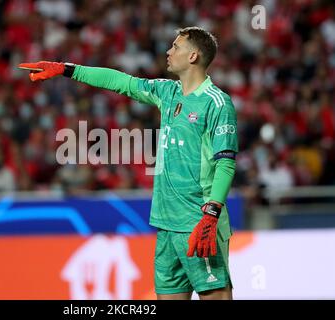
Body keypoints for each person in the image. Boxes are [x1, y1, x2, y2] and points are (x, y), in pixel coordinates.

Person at [19, 26, 238, 300]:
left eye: (176, 47)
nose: (169, 51)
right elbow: (121, 81)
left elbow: (225, 163)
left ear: (193, 56)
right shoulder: (167, 92)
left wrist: (211, 214)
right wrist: (67, 69)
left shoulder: (217, 103)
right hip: (166, 224)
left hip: (198, 222)